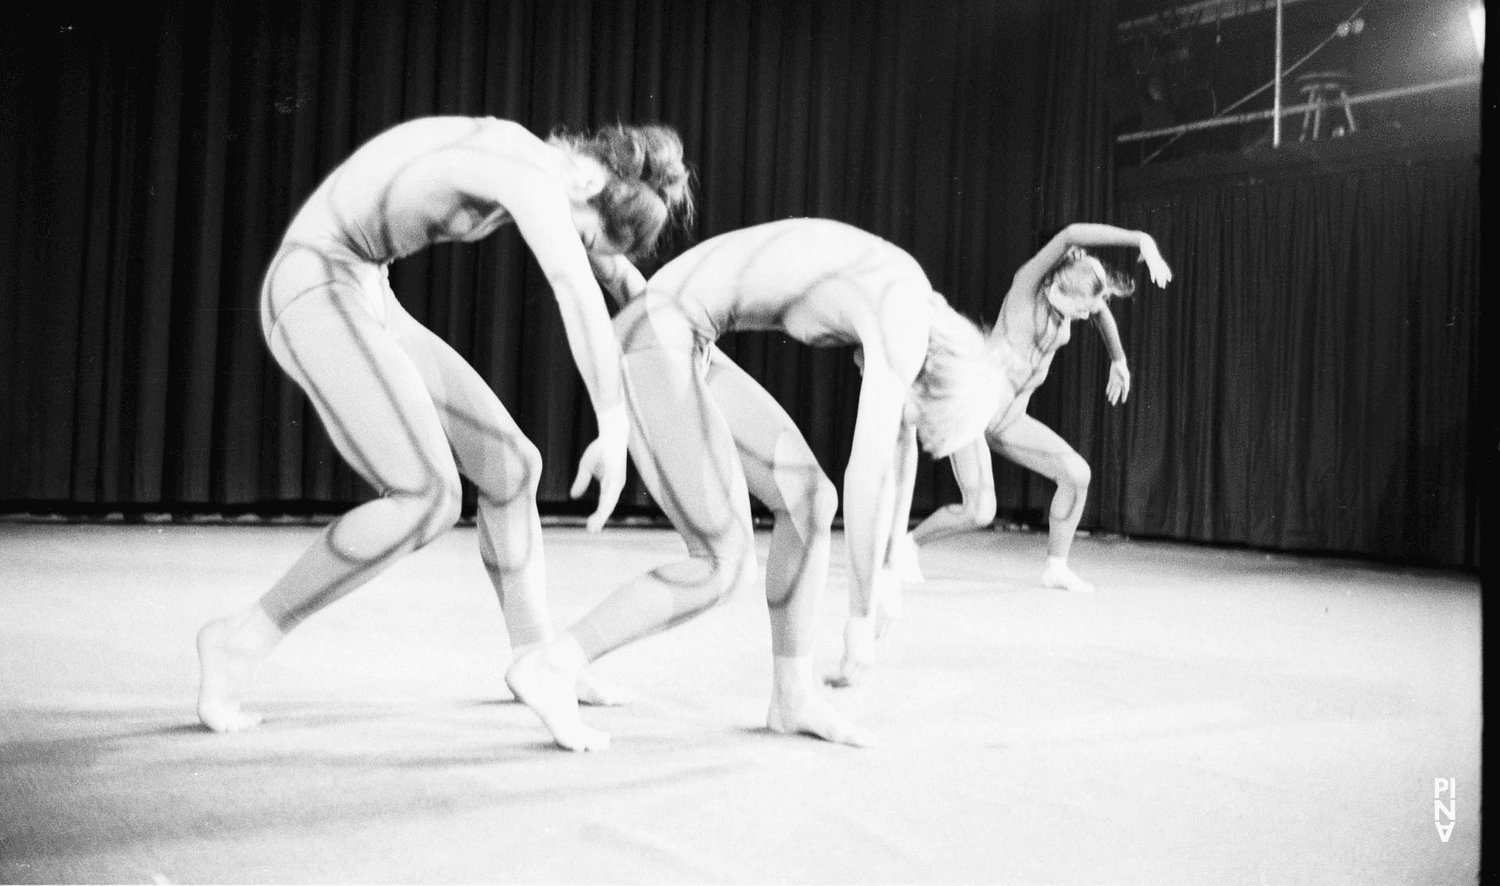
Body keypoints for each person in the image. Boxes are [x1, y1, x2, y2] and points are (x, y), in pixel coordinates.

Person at [196, 115, 693, 733]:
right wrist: (615, 426)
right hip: (315, 283)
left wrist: (687, 352)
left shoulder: (559, 181)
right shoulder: (524, 167)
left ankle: (536, 660)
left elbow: (618, 280)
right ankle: (239, 639)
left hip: (367, 290)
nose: (586, 251)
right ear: (589, 178)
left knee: (513, 468)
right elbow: (574, 286)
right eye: (589, 237)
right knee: (426, 496)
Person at [505, 218, 1007, 751]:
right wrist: (860, 615)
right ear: (932, 376)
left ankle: (791, 695)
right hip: (660, 334)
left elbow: (897, 453)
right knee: (724, 564)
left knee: (811, 500)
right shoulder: (904, 321)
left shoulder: (908, 294)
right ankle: (554, 665)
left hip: (681, 334)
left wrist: (884, 568)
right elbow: (870, 472)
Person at [898, 223, 1172, 593]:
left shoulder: (1076, 299)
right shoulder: (1026, 286)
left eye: (1086, 308)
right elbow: (1072, 233)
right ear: (1055, 287)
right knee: (980, 511)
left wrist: (1119, 360)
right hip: (973, 411)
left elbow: (1099, 310)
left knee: (1077, 474)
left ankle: (1056, 567)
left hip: (1010, 419)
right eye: (1078, 308)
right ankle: (908, 544)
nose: (1083, 315)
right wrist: (1141, 239)